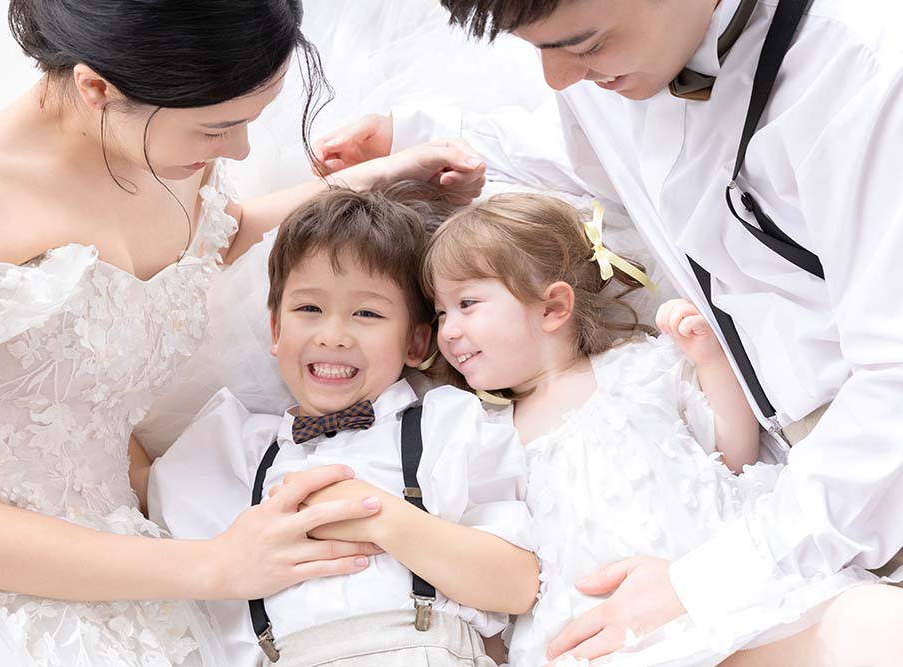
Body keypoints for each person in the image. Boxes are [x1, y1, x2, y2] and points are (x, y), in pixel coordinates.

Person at [315, 0, 903, 663]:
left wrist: (704, 579)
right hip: (759, 512)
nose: (558, 78)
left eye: (585, 43)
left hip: (849, 489)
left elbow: (894, 388)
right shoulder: (615, 76)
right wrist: (418, 142)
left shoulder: (864, 75)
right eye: (537, 48)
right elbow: (573, 160)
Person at [0, 1, 488, 665]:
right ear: (97, 88)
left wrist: (376, 180)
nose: (239, 150)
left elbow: (208, 238)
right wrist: (215, 565)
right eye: (219, 127)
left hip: (141, 545)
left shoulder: (160, 139)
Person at [423, 192, 884, 666]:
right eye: (440, 313)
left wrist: (710, 360)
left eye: (466, 304)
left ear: (552, 308)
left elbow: (735, 456)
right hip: (600, 632)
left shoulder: (639, 368)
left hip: (710, 587)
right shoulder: (487, 435)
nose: (448, 331)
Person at [139, 184, 538, 666]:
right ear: (276, 329)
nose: (332, 336)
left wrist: (382, 518)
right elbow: (110, 469)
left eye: (367, 313)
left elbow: (517, 586)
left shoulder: (448, 425)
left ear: (416, 342)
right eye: (309, 309)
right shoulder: (236, 449)